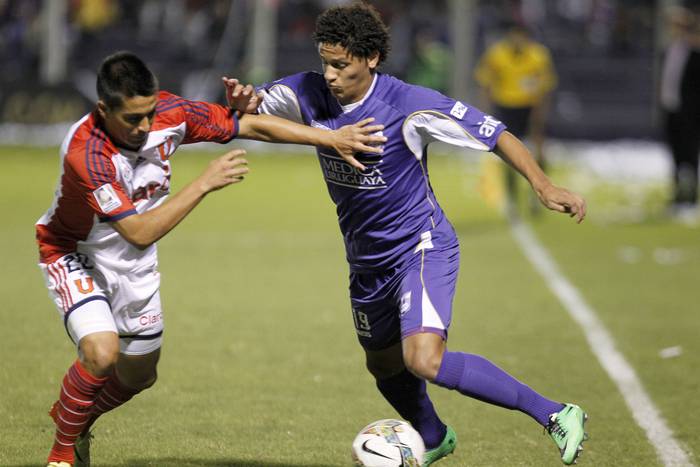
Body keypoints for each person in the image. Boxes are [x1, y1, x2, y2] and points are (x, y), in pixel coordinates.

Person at [243, 3, 588, 465]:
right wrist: (241, 99)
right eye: (325, 61)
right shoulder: (306, 91)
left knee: (423, 359)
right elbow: (250, 115)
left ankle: (555, 413)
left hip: (419, 247)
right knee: (382, 364)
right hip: (366, 260)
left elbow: (495, 133)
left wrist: (543, 185)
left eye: (340, 65)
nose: (328, 74)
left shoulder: (409, 105)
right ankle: (433, 435)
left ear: (371, 59)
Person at [37, 51, 385, 467]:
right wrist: (203, 183)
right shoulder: (86, 153)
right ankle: (62, 454)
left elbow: (249, 124)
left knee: (139, 376)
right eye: (132, 119)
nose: (144, 126)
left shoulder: (170, 111)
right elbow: (139, 231)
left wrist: (330, 137)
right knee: (101, 352)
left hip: (135, 264)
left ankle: (72, 418)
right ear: (102, 110)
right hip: (76, 252)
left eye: (148, 113)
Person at [474, 21, 557, 217]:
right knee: (508, 155)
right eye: (514, 35)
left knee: (539, 152)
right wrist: (485, 112)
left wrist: (542, 113)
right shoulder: (497, 54)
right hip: (506, 106)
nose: (518, 40)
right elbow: (486, 81)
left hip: (530, 107)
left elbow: (546, 86)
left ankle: (538, 195)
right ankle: (512, 197)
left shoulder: (538, 55)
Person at [659, 5, 700, 223]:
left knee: (690, 157)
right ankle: (677, 197)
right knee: (674, 157)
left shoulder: (695, 53)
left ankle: (691, 200)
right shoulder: (667, 51)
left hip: (690, 115)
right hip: (671, 111)